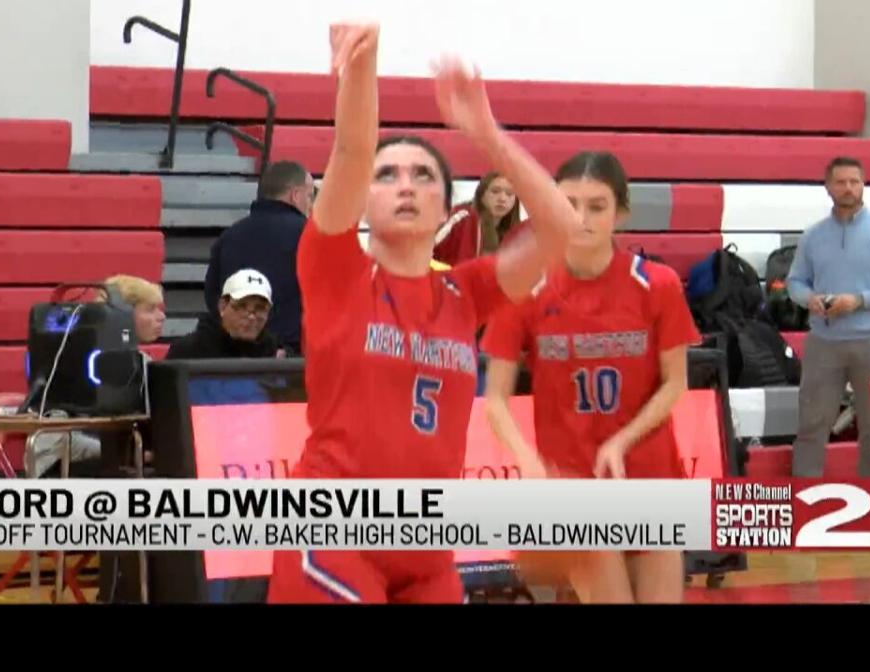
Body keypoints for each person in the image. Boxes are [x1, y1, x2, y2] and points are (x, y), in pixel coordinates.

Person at [265, 24, 579, 604]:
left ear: (445, 206)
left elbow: (562, 227)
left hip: (428, 549)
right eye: (388, 175)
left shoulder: (466, 293)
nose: (405, 184)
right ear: (364, 197)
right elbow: (352, 148)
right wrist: (363, 63)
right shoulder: (336, 268)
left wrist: (486, 132)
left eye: (423, 175)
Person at [482, 151, 700, 604]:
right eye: (568, 204)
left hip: (649, 476)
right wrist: (527, 461)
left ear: (621, 212)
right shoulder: (522, 288)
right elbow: (496, 398)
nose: (580, 218)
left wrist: (622, 440)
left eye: (597, 206)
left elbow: (675, 382)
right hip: (574, 483)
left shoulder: (657, 284)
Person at [787, 157, 870, 478]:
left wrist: (857, 301)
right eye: (841, 182)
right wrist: (810, 299)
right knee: (811, 424)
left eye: (854, 182)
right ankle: (803, 496)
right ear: (828, 187)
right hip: (824, 343)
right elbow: (794, 282)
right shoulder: (813, 236)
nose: (848, 188)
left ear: (863, 185)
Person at [32, 274, 164, 478]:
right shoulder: (71, 362)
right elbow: (56, 443)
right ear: (123, 314)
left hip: (114, 462)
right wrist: (122, 454)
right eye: (150, 309)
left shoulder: (142, 362)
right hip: (61, 469)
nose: (161, 317)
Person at [204, 161, 313, 354]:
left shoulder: (228, 236)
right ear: (295, 196)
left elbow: (213, 297)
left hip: (232, 356)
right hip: (290, 359)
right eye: (309, 196)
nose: (311, 205)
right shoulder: (309, 236)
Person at [169, 269, 281, 360]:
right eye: (241, 306)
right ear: (222, 306)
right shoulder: (188, 351)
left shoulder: (275, 353)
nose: (251, 316)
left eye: (260, 308)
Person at [433, 171, 521, 266]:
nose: (502, 198)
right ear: (481, 195)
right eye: (495, 191)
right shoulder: (463, 216)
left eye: (509, 194)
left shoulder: (515, 233)